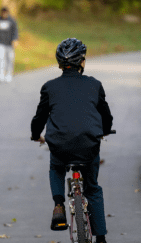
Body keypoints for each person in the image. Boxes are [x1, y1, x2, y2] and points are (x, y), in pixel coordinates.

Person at [30, 38, 113, 243]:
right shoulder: (95, 85)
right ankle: (100, 237)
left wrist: (35, 135)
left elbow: (39, 118)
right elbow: (106, 115)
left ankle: (58, 205)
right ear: (82, 62)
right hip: (88, 146)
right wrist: (105, 131)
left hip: (60, 146)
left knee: (56, 168)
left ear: (59, 63)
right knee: (92, 187)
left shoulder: (49, 87)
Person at [0, 7, 19, 83]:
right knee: (0, 58)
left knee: (9, 59)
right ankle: (1, 74)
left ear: (7, 13)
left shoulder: (12, 21)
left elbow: (15, 31)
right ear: (1, 13)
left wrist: (15, 40)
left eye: (5, 13)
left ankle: (9, 74)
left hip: (9, 44)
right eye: (3, 13)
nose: (4, 14)